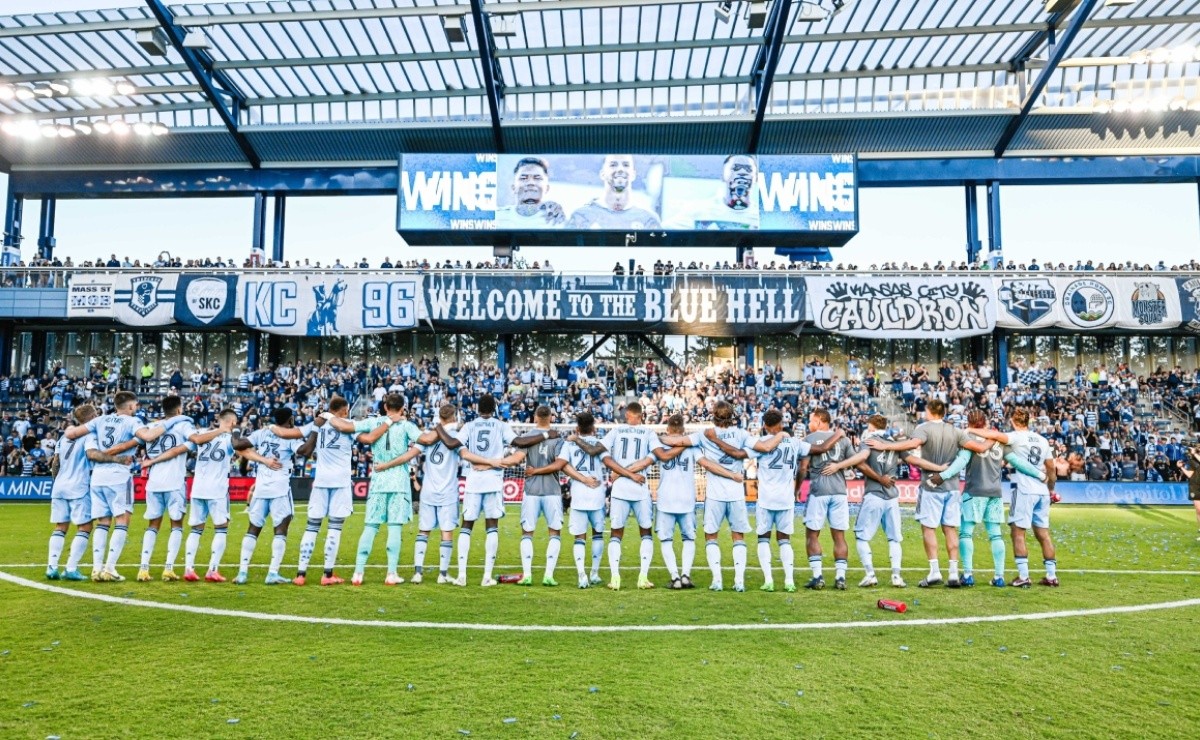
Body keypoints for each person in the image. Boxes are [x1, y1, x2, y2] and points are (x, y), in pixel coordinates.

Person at [660, 401, 794, 592]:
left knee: (711, 536)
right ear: (732, 416)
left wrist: (657, 439)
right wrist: (781, 434)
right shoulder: (741, 434)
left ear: (713, 415)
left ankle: (717, 581)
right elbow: (765, 448)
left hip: (715, 494)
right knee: (738, 537)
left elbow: (675, 441)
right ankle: (739, 581)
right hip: (736, 492)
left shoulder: (705, 434)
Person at [865, 398, 992, 588]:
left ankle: (934, 572)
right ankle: (953, 573)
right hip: (952, 487)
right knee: (950, 528)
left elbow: (911, 444)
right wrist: (997, 436)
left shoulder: (923, 428)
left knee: (928, 528)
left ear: (929, 411)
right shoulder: (955, 431)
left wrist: (886, 446)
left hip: (931, 486)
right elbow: (980, 447)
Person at [62, 390, 181, 582]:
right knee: (122, 521)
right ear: (131, 406)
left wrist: (69, 430)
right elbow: (148, 436)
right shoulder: (132, 422)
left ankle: (96, 569)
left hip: (98, 477)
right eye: (136, 405)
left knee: (102, 523)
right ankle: (109, 568)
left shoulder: (100, 420)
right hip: (118, 475)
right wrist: (171, 422)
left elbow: (72, 433)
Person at [929, 410, 1049, 587]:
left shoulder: (968, 438)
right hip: (995, 493)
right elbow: (1018, 462)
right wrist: (1039, 474)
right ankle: (999, 577)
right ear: (985, 422)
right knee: (995, 535)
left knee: (966, 533)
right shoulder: (998, 441)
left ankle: (968, 575)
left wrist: (942, 476)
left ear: (969, 421)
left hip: (974, 491)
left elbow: (961, 462)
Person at [336, 394, 421, 586]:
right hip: (398, 482)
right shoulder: (407, 425)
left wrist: (326, 416)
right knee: (394, 527)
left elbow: (347, 426)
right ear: (403, 407)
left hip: (378, 481)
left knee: (370, 527)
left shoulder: (374, 422)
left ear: (384, 406)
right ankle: (391, 573)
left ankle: (358, 573)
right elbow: (423, 440)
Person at [436, 395, 519, 587]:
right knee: (492, 526)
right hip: (493, 479)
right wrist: (499, 460)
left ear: (477, 408)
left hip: (473, 479)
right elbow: (518, 442)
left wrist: (438, 427)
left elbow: (454, 445)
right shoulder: (501, 426)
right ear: (494, 408)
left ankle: (462, 576)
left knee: (467, 526)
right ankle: (487, 576)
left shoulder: (469, 426)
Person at [971, 408, 1060, 587]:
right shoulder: (1042, 440)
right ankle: (1051, 576)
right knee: (1043, 534)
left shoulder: (1015, 437)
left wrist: (969, 430)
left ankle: (1024, 576)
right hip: (1042, 491)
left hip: (1024, 489)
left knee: (1018, 533)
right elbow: (1051, 468)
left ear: (1013, 421)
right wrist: (1050, 489)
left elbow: (992, 435)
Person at [654, 414, 741, 590]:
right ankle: (686, 575)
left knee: (666, 539)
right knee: (688, 538)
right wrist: (731, 474)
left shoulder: (659, 444)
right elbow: (707, 465)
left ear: (668, 429)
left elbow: (647, 461)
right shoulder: (692, 447)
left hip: (665, 498)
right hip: (687, 498)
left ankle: (675, 577)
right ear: (683, 429)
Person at [277, 396, 357, 586]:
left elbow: (291, 433)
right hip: (341, 481)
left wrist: (270, 428)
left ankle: (300, 574)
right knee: (334, 527)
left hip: (320, 480)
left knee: (312, 526)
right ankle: (327, 575)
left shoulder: (316, 424)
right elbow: (367, 437)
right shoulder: (349, 424)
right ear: (345, 410)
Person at [46, 405, 131, 582]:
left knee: (60, 527)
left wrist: (57, 482)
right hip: (78, 486)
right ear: (93, 416)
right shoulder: (90, 435)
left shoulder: (64, 437)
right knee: (85, 527)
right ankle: (70, 568)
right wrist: (118, 459)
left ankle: (51, 567)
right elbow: (93, 455)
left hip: (59, 486)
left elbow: (55, 463)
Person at [231, 407, 314, 585]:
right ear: (290, 420)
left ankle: (242, 573)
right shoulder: (290, 435)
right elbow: (306, 451)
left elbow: (238, 445)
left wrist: (236, 429)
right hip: (280, 489)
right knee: (281, 530)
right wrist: (315, 430)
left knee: (253, 529)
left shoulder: (262, 432)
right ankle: (272, 573)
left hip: (261, 488)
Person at [590, 401, 661, 590]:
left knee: (616, 533)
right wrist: (630, 471)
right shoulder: (649, 433)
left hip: (620, 488)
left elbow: (599, 450)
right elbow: (652, 458)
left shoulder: (616, 430)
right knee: (645, 531)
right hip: (640, 488)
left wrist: (620, 472)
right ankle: (643, 577)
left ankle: (615, 578)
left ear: (629, 414)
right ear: (641, 415)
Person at [557, 412, 627, 589]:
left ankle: (582, 575)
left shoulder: (569, 443)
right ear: (594, 427)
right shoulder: (599, 444)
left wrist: (582, 479)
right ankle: (594, 573)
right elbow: (608, 461)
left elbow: (563, 465)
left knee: (579, 537)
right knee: (597, 534)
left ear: (577, 428)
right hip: (597, 493)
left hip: (579, 493)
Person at [506, 406, 569, 586]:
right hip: (552, 491)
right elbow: (559, 464)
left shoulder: (527, 438)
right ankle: (548, 575)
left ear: (535, 417)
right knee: (554, 532)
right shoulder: (558, 438)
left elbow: (517, 458)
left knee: (527, 532)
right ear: (551, 417)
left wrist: (497, 463)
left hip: (531, 491)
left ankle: (527, 575)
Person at [136, 396, 195, 582]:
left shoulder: (152, 427)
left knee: (153, 525)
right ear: (179, 410)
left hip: (153, 483)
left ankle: (143, 568)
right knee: (176, 524)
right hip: (174, 482)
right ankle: (168, 568)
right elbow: (189, 445)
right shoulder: (184, 425)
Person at [797, 408, 857, 590]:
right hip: (839, 492)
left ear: (819, 420)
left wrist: (797, 488)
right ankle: (840, 578)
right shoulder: (843, 439)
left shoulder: (809, 439)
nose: (809, 423)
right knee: (839, 536)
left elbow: (803, 467)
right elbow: (854, 462)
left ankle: (818, 577)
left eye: (811, 420)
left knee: (812, 534)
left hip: (819, 491)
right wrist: (841, 467)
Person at [751, 410, 806, 593]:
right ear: (781, 423)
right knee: (785, 540)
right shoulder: (794, 442)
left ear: (765, 425)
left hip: (766, 498)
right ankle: (789, 581)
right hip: (786, 498)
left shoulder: (761, 443)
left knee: (763, 538)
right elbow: (812, 451)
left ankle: (768, 580)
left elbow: (744, 454)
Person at [566, 154, 662, 230]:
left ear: (633, 175)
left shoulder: (648, 219)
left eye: (626, 165)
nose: (620, 169)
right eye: (613, 165)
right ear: (602, 174)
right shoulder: (581, 216)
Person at [664, 154, 760, 230]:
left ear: (756, 178)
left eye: (748, 169)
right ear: (722, 176)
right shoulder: (700, 210)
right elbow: (662, 229)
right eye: (736, 168)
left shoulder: (762, 218)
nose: (742, 173)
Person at [494, 157, 565, 229]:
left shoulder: (556, 222)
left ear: (547, 188)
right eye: (523, 178)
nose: (530, 183)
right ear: (513, 188)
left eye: (537, 178)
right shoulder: (496, 218)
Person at [1178, 445, 1200, 540]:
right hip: (1195, 486)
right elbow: (1190, 475)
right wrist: (1181, 467)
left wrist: (1195, 453)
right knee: (1199, 510)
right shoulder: (1192, 461)